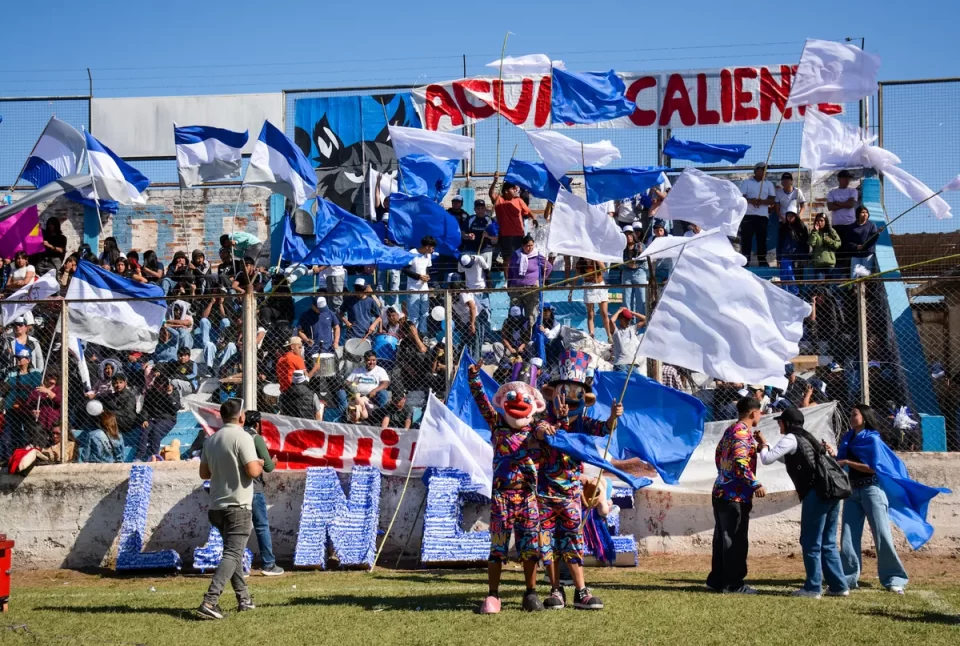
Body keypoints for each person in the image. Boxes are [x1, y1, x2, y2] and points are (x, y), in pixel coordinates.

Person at [538, 350, 620, 611]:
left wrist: (613, 417)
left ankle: (581, 591)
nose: (569, 400)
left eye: (576, 395)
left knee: (573, 540)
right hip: (546, 492)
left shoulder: (583, 422)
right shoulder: (543, 422)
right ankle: (555, 590)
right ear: (553, 394)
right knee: (547, 542)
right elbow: (548, 437)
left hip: (572, 493)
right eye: (565, 392)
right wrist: (559, 420)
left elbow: (605, 429)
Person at [468, 365, 550, 614]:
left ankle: (531, 593)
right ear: (504, 401)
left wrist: (547, 430)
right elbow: (482, 401)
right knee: (498, 547)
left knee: (530, 547)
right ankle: (493, 595)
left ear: (534, 403)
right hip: (502, 496)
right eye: (512, 397)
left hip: (528, 496)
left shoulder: (537, 429)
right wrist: (474, 378)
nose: (518, 401)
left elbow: (551, 430)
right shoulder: (497, 424)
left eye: (524, 397)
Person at [756, 407, 848, 599]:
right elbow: (789, 458)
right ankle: (839, 586)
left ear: (787, 423)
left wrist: (764, 445)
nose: (779, 425)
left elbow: (767, 459)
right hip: (830, 491)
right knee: (828, 541)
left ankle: (813, 587)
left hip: (816, 493)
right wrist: (768, 446)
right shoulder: (807, 437)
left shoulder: (790, 438)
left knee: (810, 541)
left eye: (781, 422)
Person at [196, 399, 262, 620]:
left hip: (217, 505)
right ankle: (210, 600)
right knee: (233, 553)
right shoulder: (243, 437)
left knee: (232, 554)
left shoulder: (212, 439)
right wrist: (260, 463)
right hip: (238, 504)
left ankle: (244, 598)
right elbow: (253, 471)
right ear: (241, 417)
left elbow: (204, 474)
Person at [836, 404, 909, 594]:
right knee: (848, 537)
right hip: (852, 491)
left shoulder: (873, 439)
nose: (851, 417)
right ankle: (847, 578)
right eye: (850, 414)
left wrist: (846, 462)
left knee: (882, 535)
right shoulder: (847, 437)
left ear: (865, 417)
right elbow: (840, 461)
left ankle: (895, 578)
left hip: (872, 490)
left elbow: (874, 467)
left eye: (855, 414)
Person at [706, 396, 766, 594]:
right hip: (735, 495)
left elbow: (719, 455)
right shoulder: (742, 432)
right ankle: (733, 584)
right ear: (753, 413)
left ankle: (717, 579)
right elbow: (740, 462)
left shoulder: (731, 430)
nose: (761, 415)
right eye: (760, 411)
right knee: (735, 539)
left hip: (722, 490)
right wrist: (754, 483)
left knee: (722, 538)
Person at [242, 410, 283, 576]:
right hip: (254, 488)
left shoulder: (236, 437)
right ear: (257, 424)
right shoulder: (255, 438)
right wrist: (273, 462)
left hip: (236, 488)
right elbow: (268, 467)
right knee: (261, 526)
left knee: (237, 528)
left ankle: (238, 565)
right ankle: (269, 563)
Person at [1, 350, 43, 460]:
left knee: (28, 433)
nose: (19, 360)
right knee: (9, 435)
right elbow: (4, 388)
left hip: (28, 409)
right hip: (12, 408)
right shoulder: (12, 373)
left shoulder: (35, 373)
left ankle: (28, 456)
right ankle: (9, 458)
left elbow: (35, 389)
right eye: (17, 358)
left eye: (21, 358)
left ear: (28, 360)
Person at [507, 235, 552, 333]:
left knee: (531, 314)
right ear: (522, 246)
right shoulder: (516, 255)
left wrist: (540, 281)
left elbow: (549, 267)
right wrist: (509, 285)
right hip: (516, 288)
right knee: (515, 313)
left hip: (532, 289)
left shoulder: (537, 256)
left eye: (531, 245)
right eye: (527, 246)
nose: (530, 248)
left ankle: (529, 337)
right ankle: (515, 336)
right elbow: (510, 271)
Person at [490, 176, 532, 271]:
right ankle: (507, 282)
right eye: (512, 189)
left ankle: (517, 279)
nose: (515, 190)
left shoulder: (518, 200)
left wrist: (534, 219)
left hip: (518, 235)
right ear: (505, 191)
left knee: (519, 257)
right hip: (505, 236)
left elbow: (528, 211)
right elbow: (491, 193)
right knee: (507, 259)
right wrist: (495, 181)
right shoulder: (499, 199)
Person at [738, 162, 776, 267]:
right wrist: (751, 201)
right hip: (748, 215)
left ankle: (762, 261)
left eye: (765, 170)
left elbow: (772, 199)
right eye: (762, 169)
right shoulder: (747, 183)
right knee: (746, 239)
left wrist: (762, 202)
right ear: (756, 170)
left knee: (762, 239)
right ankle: (745, 261)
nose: (764, 171)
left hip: (762, 216)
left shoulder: (768, 184)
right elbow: (741, 198)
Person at [138, 372, 181, 461]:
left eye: (162, 385)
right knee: (145, 430)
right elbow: (145, 408)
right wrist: (144, 419)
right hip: (152, 418)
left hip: (168, 418)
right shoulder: (150, 393)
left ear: (166, 385)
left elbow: (175, 408)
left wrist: (169, 395)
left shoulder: (174, 392)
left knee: (156, 430)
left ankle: (155, 456)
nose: (159, 388)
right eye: (157, 385)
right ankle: (139, 456)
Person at [402, 236, 436, 333]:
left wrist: (427, 276)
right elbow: (405, 269)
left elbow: (427, 268)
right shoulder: (412, 253)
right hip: (413, 288)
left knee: (425, 313)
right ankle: (414, 336)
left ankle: (423, 334)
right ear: (427, 247)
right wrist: (418, 276)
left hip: (424, 288)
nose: (433, 250)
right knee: (414, 315)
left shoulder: (428, 255)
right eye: (432, 248)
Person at [576, 257, 611, 340]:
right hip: (588, 286)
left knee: (604, 313)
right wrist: (571, 291)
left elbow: (604, 269)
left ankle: (609, 336)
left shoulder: (596, 259)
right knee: (590, 314)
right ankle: (592, 335)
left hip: (599, 285)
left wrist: (596, 258)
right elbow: (576, 275)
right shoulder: (580, 263)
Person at [840, 206, 878, 278]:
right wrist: (856, 247)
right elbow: (847, 241)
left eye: (866, 212)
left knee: (866, 275)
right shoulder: (851, 227)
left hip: (867, 254)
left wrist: (877, 233)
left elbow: (873, 239)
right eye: (863, 212)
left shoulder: (872, 225)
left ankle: (865, 289)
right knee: (854, 275)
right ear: (858, 214)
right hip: (855, 255)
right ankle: (854, 288)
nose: (865, 214)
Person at [777, 211, 809, 294]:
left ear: (796, 216)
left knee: (796, 278)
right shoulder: (783, 227)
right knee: (785, 277)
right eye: (788, 215)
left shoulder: (802, 227)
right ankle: (786, 295)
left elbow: (805, 244)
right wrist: (778, 258)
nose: (790, 217)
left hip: (798, 257)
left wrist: (805, 257)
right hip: (785, 256)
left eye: (792, 215)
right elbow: (779, 243)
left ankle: (797, 295)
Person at [610, 309, 647, 374]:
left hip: (633, 365)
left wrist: (632, 312)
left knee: (637, 383)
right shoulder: (616, 332)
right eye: (626, 319)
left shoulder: (632, 329)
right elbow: (611, 321)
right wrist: (619, 311)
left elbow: (646, 319)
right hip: (621, 365)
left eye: (629, 319)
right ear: (620, 319)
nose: (628, 322)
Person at [621, 231, 647, 316]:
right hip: (627, 273)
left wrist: (641, 252)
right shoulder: (622, 248)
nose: (628, 237)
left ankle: (641, 320)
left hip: (639, 272)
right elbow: (619, 262)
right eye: (626, 235)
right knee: (626, 298)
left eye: (630, 235)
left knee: (641, 297)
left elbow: (646, 258)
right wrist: (626, 264)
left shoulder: (641, 245)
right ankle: (628, 320)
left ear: (633, 236)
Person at [809, 213, 842, 280]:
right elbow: (811, 243)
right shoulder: (814, 232)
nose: (819, 223)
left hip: (829, 263)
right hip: (819, 263)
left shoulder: (831, 231)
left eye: (821, 221)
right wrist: (815, 232)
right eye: (817, 221)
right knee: (819, 285)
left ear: (825, 221)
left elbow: (838, 244)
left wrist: (829, 240)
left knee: (829, 285)